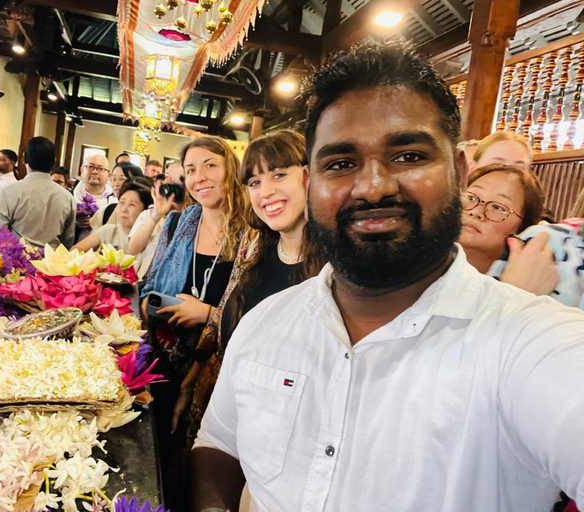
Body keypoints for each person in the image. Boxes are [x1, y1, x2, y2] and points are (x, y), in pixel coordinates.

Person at [192, 40, 584, 512]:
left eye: (409, 156)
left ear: (459, 172)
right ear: (313, 182)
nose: (374, 185)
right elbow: (219, 447)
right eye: (341, 163)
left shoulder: (532, 344)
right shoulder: (267, 321)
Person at [172, 130, 326, 441]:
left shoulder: (333, 267)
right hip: (223, 414)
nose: (265, 192)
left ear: (308, 177)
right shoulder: (253, 245)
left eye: (279, 174)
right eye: (254, 182)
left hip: (284, 434)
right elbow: (223, 326)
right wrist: (189, 385)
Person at [141, 135, 248, 510]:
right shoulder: (177, 223)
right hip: (164, 359)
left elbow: (259, 312)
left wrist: (207, 313)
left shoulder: (253, 230)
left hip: (216, 371)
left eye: (210, 165)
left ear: (230, 169)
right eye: (190, 169)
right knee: (159, 454)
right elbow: (149, 285)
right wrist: (154, 305)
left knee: (199, 466)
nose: (199, 177)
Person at [458, 163, 558, 296]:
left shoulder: (532, 285)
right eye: (471, 198)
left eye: (497, 207)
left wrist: (518, 293)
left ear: (522, 229)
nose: (476, 211)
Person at [0, 137, 76, 248]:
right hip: (50, 263)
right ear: (54, 161)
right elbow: (68, 240)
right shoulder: (67, 197)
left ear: (24, 158)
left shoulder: (7, 192)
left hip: (15, 261)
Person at [72, 179, 153, 253]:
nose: (124, 209)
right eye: (122, 202)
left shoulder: (151, 239)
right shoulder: (110, 230)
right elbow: (75, 250)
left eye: (132, 205)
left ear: (145, 210)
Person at [94, 162, 146, 228]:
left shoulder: (148, 215)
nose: (116, 184)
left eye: (122, 179)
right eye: (114, 179)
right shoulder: (107, 211)